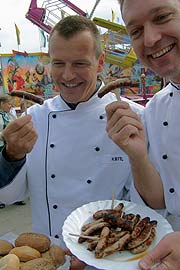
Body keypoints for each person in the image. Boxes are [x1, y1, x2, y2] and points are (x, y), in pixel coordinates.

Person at [0, 15, 143, 269]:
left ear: (99, 62)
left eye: (79, 64)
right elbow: (10, 196)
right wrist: (11, 155)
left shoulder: (131, 117)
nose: (67, 75)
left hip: (109, 258)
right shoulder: (34, 118)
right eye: (59, 63)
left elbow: (148, 205)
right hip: (49, 257)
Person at [105, 0, 180, 269]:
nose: (150, 39)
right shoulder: (157, 107)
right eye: (135, 31)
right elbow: (162, 199)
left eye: (161, 17)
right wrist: (136, 154)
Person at [0, 94, 26, 208]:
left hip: (9, 146)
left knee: (15, 172)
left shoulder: (8, 114)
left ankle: (17, 196)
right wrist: (2, 136)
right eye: (9, 104)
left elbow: (16, 123)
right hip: (0, 145)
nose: (10, 106)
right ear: (2, 104)